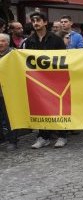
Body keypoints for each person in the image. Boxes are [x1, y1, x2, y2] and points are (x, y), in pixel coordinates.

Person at [23, 12, 69, 149]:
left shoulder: (56, 39)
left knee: (57, 107)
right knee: (40, 108)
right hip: (37, 80)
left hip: (55, 79)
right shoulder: (29, 41)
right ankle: (43, 136)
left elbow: (64, 58)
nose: (35, 23)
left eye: (38, 20)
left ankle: (62, 135)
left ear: (45, 22)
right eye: (33, 21)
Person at [0, 33, 19, 150]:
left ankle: (13, 140)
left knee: (10, 118)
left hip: (9, 91)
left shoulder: (14, 55)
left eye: (2, 41)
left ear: (8, 42)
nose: (0, 43)